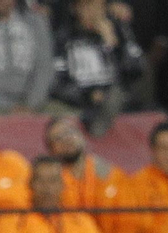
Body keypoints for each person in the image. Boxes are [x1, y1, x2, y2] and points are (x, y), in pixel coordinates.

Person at [0, 154, 107, 233]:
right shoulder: (9, 221)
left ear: (62, 185)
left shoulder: (81, 220)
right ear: (30, 184)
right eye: (40, 181)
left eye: (53, 181)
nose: (47, 188)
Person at [45, 113, 132, 233]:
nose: (66, 139)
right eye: (58, 138)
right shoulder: (49, 187)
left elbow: (129, 225)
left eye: (70, 132)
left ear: (82, 136)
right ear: (51, 150)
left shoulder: (112, 176)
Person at [51, 0, 143, 137]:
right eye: (86, 7)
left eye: (98, 8)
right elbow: (57, 82)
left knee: (116, 98)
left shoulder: (119, 32)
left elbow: (136, 70)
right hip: (79, 104)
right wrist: (88, 95)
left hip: (115, 101)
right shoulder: (64, 38)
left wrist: (114, 45)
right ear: (75, 9)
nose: (93, 13)